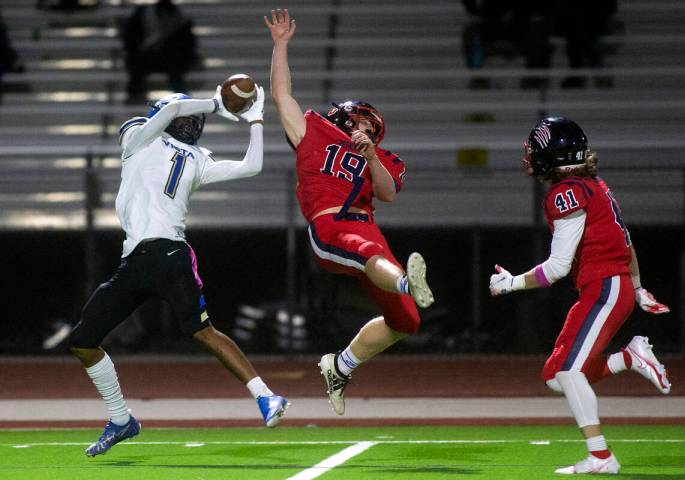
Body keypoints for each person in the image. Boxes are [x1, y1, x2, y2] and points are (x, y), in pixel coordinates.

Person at [67, 81, 289, 457]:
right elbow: (252, 165)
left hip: (165, 253)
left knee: (201, 331)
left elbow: (172, 115)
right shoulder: (174, 150)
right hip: (139, 260)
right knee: (84, 341)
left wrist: (236, 111)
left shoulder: (163, 146)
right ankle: (122, 419)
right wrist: (248, 118)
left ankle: (266, 396)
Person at [264, 9, 434, 416]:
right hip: (330, 223)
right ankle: (408, 284)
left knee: (406, 322)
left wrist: (372, 155)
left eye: (374, 131)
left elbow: (388, 193)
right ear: (345, 116)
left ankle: (339, 366)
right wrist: (281, 45)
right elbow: (281, 97)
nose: (368, 133)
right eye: (364, 125)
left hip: (368, 226)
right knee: (369, 256)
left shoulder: (383, 156)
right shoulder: (314, 130)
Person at [489, 116, 671, 475]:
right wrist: (636, 287)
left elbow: (557, 267)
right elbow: (627, 240)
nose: (532, 156)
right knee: (555, 376)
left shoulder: (567, 193)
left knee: (570, 372)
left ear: (552, 156)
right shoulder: (594, 184)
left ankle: (601, 457)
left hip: (603, 287)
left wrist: (511, 283)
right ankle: (630, 358)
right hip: (608, 286)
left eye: (537, 150)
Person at [122, 0, 198, 104]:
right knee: (136, 63)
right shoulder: (143, 15)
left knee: (174, 65)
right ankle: (135, 95)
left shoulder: (179, 19)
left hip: (170, 58)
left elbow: (187, 44)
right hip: (145, 57)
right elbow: (130, 38)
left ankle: (182, 98)